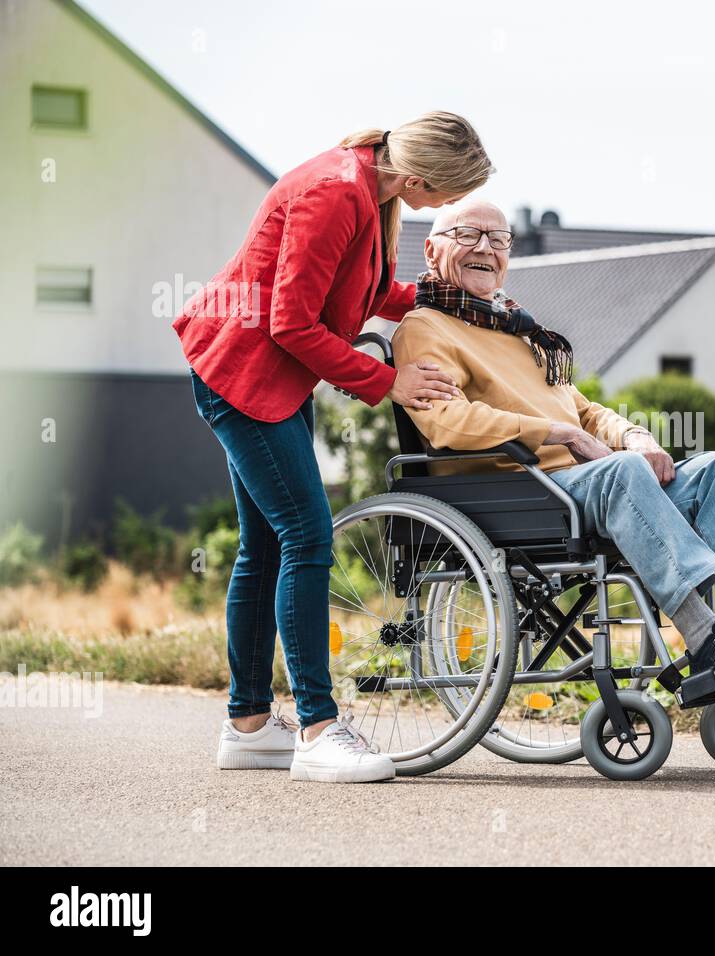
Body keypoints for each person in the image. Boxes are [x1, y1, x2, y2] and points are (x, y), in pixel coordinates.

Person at [391, 200, 715, 681]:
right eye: (468, 235)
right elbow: (446, 421)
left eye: (498, 239)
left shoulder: (514, 329)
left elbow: (585, 410)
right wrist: (559, 433)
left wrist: (635, 436)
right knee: (622, 471)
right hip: (516, 490)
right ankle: (706, 640)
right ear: (431, 251)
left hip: (580, 485)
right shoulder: (424, 328)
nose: (485, 248)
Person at [175, 112, 493, 783]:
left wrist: (445, 301)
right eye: (446, 196)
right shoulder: (335, 194)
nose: (446, 209)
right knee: (308, 537)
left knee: (264, 549)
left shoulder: (372, 191)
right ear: (418, 177)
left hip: (266, 382)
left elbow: (369, 292)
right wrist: (390, 382)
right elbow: (291, 322)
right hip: (243, 376)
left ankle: (249, 725)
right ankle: (319, 730)